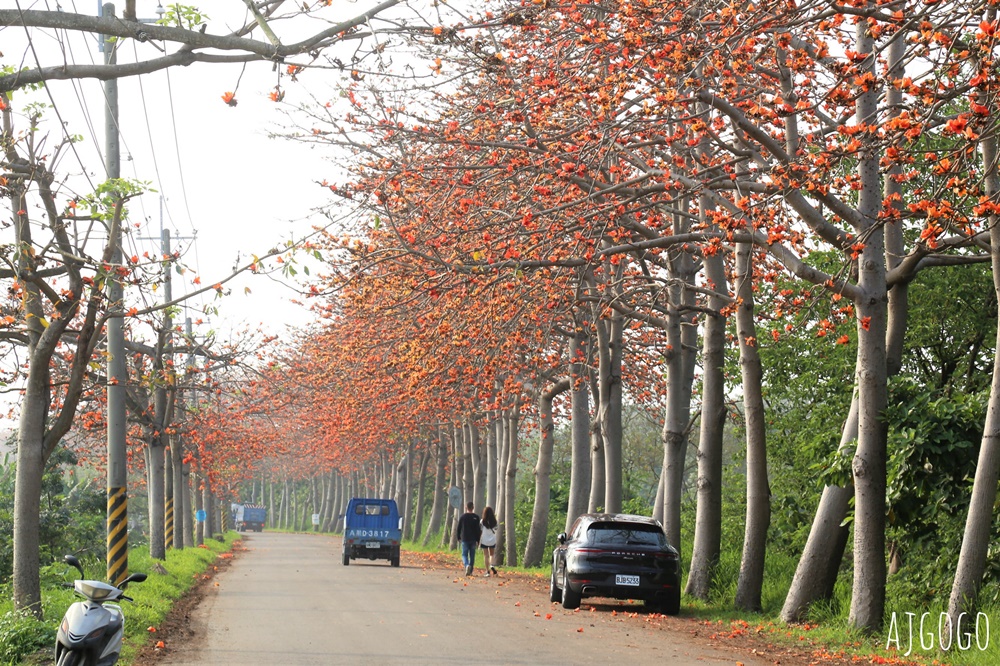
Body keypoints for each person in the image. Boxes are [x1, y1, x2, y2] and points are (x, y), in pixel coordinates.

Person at [456, 501, 482, 576]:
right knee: (472, 555)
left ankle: (466, 565)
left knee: (464, 554)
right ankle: (470, 570)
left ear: (466, 507)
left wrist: (458, 537)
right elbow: (478, 530)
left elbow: (459, 528)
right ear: (473, 507)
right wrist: (478, 540)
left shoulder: (463, 517)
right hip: (473, 539)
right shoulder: (476, 517)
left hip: (464, 538)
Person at [480, 506, 499, 577]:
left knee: (485, 555)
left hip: (484, 540)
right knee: (492, 554)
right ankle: (491, 565)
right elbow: (496, 529)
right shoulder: (495, 521)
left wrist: (479, 540)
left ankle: (487, 571)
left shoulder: (482, 521)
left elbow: (481, 531)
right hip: (492, 540)